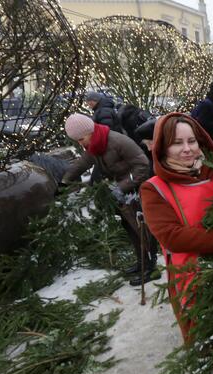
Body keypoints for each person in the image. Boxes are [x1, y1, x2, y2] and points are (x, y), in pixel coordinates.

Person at [140, 114, 213, 345]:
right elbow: (173, 237)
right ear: (162, 146)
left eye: (192, 141)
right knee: (205, 340)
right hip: (192, 277)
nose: (187, 149)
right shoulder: (155, 189)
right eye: (177, 143)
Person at [61, 113, 156, 285]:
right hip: (120, 192)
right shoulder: (95, 144)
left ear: (90, 132)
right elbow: (82, 163)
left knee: (142, 229)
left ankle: (150, 266)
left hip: (136, 190)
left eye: (81, 139)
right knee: (129, 228)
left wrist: (122, 187)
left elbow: (143, 165)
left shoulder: (118, 141)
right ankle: (141, 262)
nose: (80, 143)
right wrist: (64, 182)